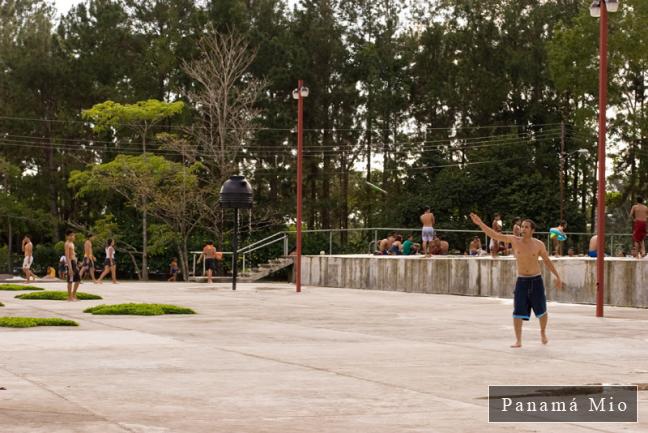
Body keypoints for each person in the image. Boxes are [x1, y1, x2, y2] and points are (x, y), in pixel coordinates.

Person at [470, 213, 562, 349]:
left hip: (536, 280)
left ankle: (543, 332)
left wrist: (557, 276)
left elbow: (547, 261)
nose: (523, 229)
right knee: (517, 311)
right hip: (522, 281)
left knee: (542, 310)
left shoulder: (539, 244)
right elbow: (495, 235)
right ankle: (518, 340)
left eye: (526, 227)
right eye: (522, 226)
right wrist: (480, 224)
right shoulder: (514, 240)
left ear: (532, 230)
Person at [64, 229, 80, 301]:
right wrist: (70, 268)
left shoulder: (72, 243)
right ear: (67, 236)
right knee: (70, 280)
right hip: (70, 263)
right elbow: (67, 256)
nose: (73, 237)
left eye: (73, 235)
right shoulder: (67, 244)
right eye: (71, 235)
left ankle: (73, 295)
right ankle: (69, 297)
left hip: (74, 262)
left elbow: (72, 253)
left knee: (78, 279)